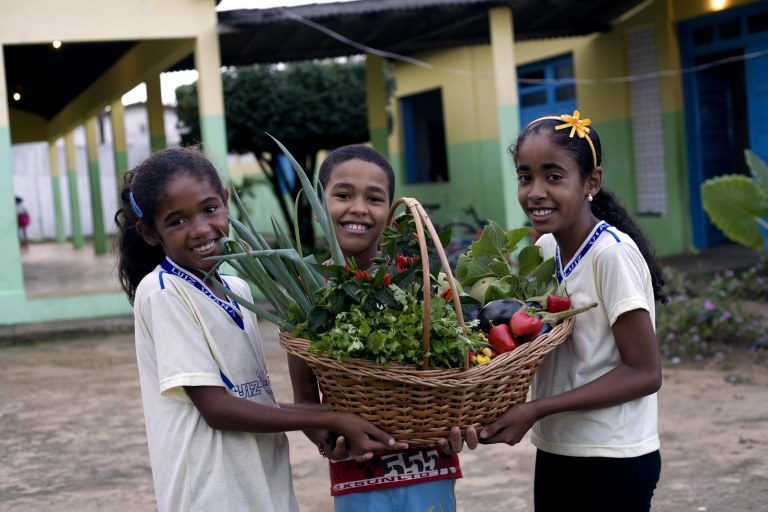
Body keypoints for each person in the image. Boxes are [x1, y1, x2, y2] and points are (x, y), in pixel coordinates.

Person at [114, 146, 406, 512]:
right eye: (177, 221)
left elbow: (252, 400)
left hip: (263, 485)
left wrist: (335, 423)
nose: (201, 228)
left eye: (209, 209)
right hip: (211, 493)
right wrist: (332, 417)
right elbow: (217, 409)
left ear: (225, 202)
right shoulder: (162, 293)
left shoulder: (237, 289)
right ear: (150, 232)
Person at [476, 111, 666, 511]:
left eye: (554, 176)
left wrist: (536, 408)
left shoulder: (610, 255)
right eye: (525, 177)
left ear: (591, 182)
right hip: (559, 446)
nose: (536, 191)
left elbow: (645, 372)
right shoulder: (546, 250)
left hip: (614, 456)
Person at [288, 144, 465, 512]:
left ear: (390, 211)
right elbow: (305, 401)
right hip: (357, 478)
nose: (358, 208)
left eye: (374, 198)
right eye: (343, 195)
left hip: (428, 468)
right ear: (320, 207)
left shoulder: (418, 282)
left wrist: (457, 425)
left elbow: (453, 379)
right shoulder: (307, 292)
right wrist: (328, 442)